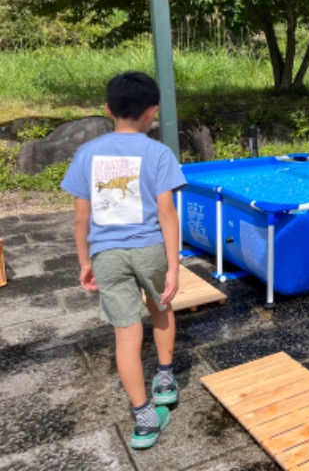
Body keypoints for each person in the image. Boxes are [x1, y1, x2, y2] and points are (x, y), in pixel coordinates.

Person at [61, 71, 186, 450]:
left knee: (125, 335)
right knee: (161, 307)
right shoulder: (159, 153)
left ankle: (144, 418)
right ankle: (165, 378)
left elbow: (81, 217)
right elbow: (167, 214)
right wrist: (175, 266)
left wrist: (85, 260)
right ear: (153, 113)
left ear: (107, 110)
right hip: (149, 249)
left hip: (107, 255)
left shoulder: (87, 153)